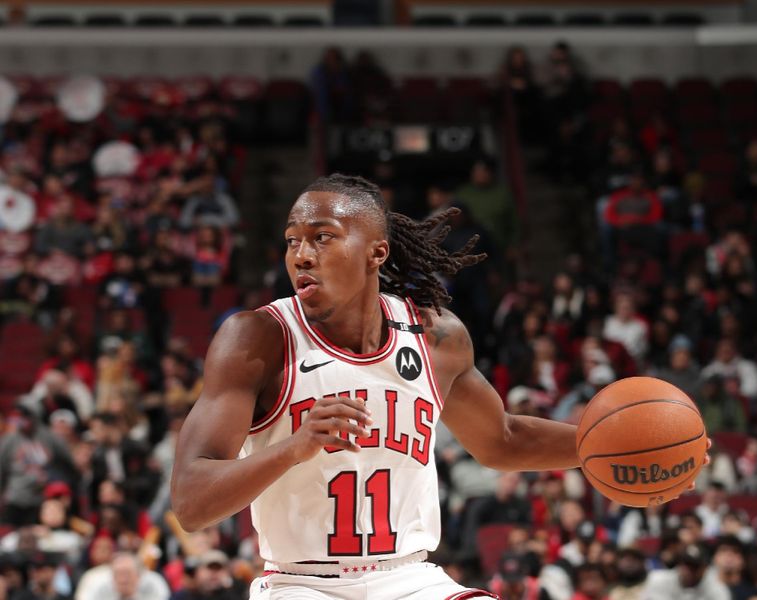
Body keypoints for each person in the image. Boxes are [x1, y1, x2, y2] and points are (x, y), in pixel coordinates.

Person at [171, 174, 582, 599]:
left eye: (322, 237)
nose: (301, 256)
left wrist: (597, 447)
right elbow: (191, 503)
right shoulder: (257, 337)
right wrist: (294, 447)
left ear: (376, 252)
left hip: (410, 579)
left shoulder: (435, 336)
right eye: (293, 241)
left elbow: (504, 440)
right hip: (302, 583)